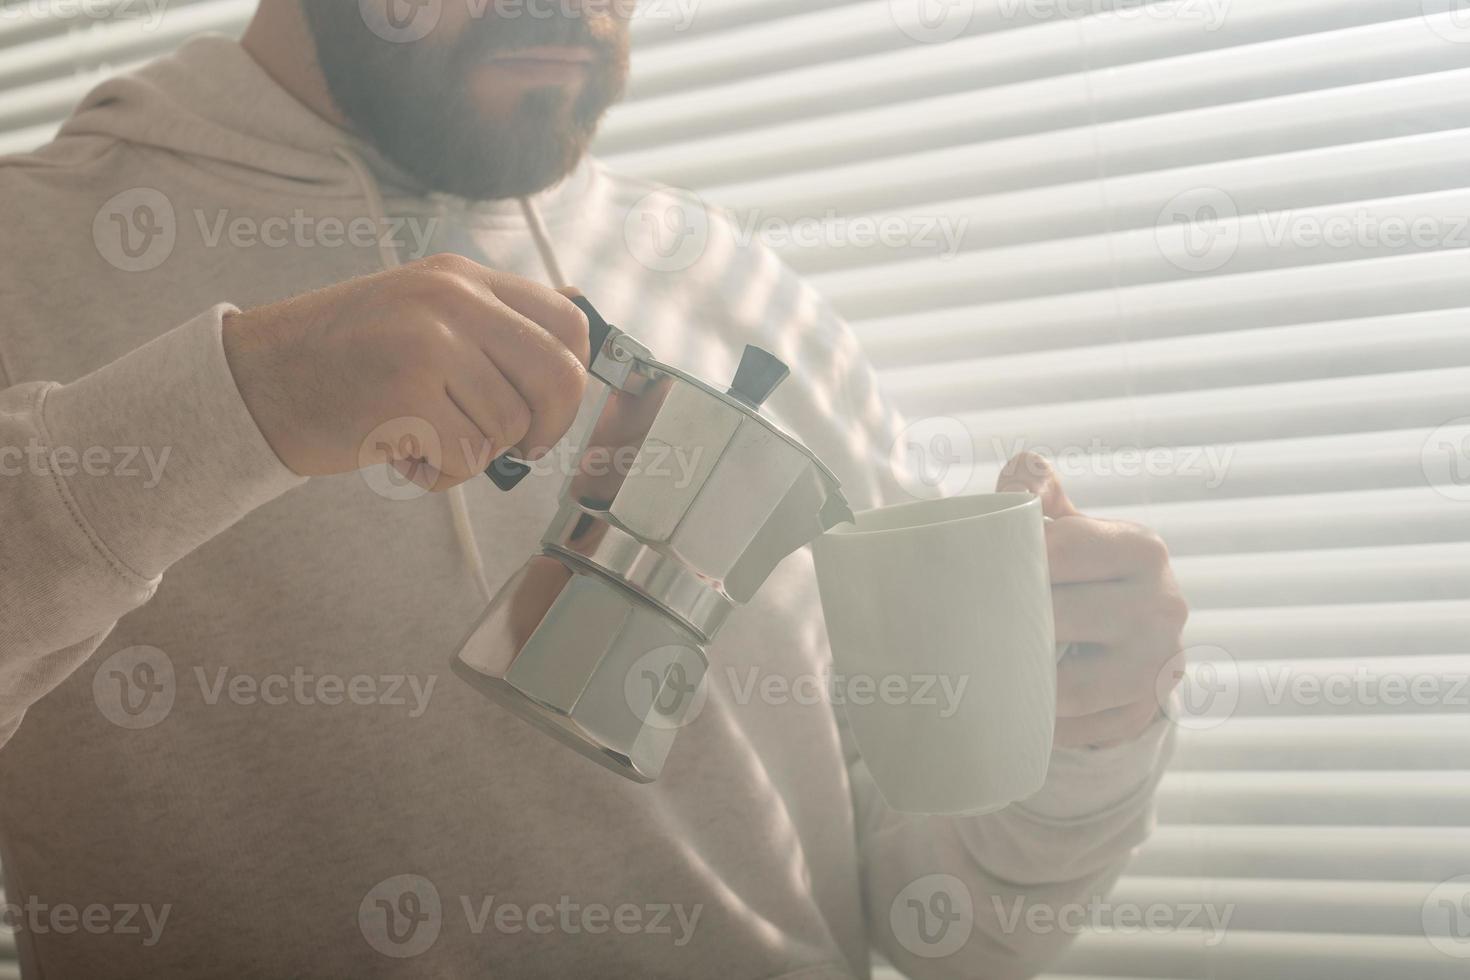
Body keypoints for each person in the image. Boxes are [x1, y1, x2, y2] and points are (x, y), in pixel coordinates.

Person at [0, 1, 1187, 976]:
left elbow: (953, 932)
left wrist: (1091, 733)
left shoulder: (740, 289)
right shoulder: (28, 254)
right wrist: (243, 400)